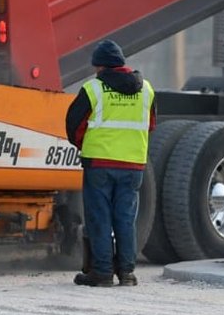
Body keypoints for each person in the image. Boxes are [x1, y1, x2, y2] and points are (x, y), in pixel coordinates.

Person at [65, 38, 156, 287]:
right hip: (134, 164)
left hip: (100, 165)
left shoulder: (93, 88)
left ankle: (102, 273)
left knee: (100, 218)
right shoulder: (146, 89)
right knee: (125, 219)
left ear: (101, 67)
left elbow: (74, 124)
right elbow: (150, 125)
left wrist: (85, 145)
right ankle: (127, 273)